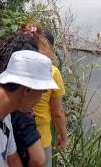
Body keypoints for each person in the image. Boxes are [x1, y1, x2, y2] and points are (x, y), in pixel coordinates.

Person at [0, 33, 46, 167]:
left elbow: (12, 158)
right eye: (41, 92)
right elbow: (38, 159)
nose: (40, 99)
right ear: (27, 89)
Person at [22, 22, 68, 167]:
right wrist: (63, 136)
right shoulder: (52, 71)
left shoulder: (17, 64)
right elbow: (57, 112)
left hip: (15, 131)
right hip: (40, 136)